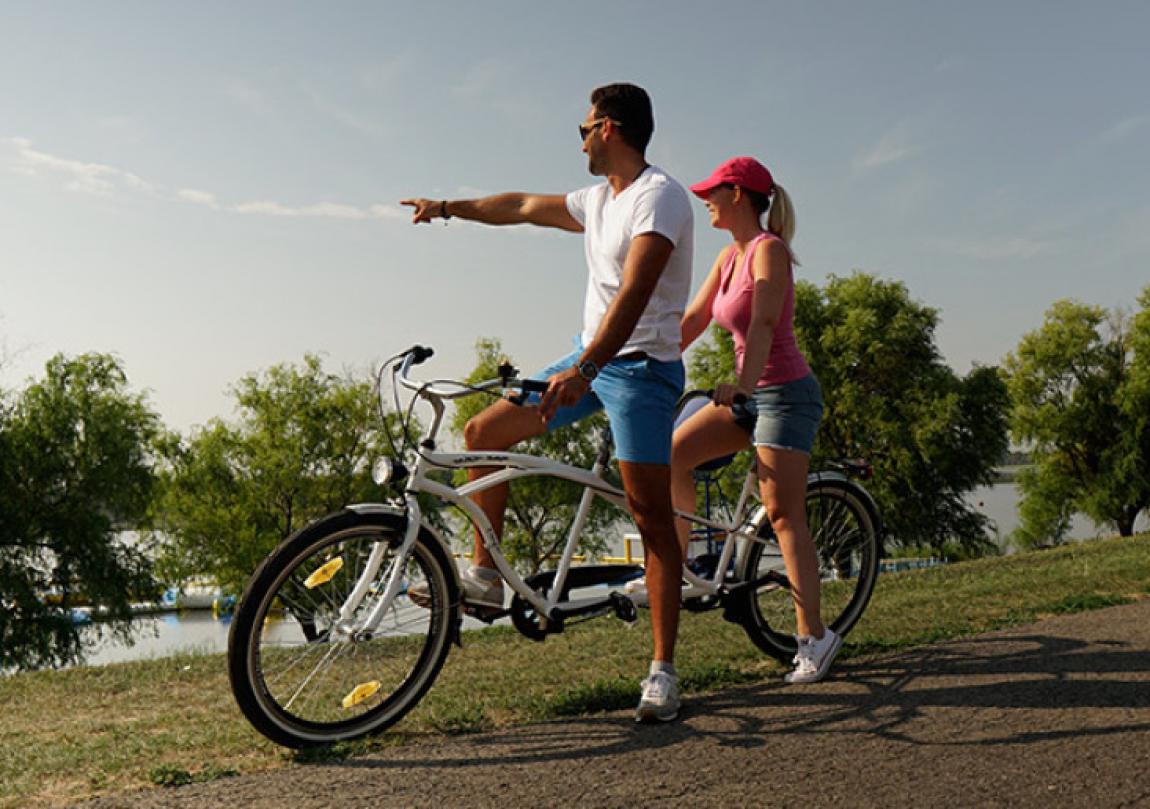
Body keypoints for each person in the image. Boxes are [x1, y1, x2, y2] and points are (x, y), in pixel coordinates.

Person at [401, 83, 694, 722]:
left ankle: (663, 671)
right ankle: (482, 575)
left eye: (585, 127)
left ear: (610, 128)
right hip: (587, 360)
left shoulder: (659, 198)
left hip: (640, 372)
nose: (581, 138)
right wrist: (448, 206)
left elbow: (638, 292)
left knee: (650, 518)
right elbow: (524, 205)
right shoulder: (598, 200)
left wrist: (587, 369)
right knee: (483, 431)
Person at [670, 156, 840, 684]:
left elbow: (764, 320)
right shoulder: (728, 257)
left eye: (713, 191)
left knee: (782, 513)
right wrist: (638, 360)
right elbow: (695, 321)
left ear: (739, 194)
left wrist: (744, 384)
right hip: (748, 395)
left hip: (784, 394)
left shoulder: (770, 252)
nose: (706, 199)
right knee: (672, 454)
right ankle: (671, 573)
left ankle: (814, 637)